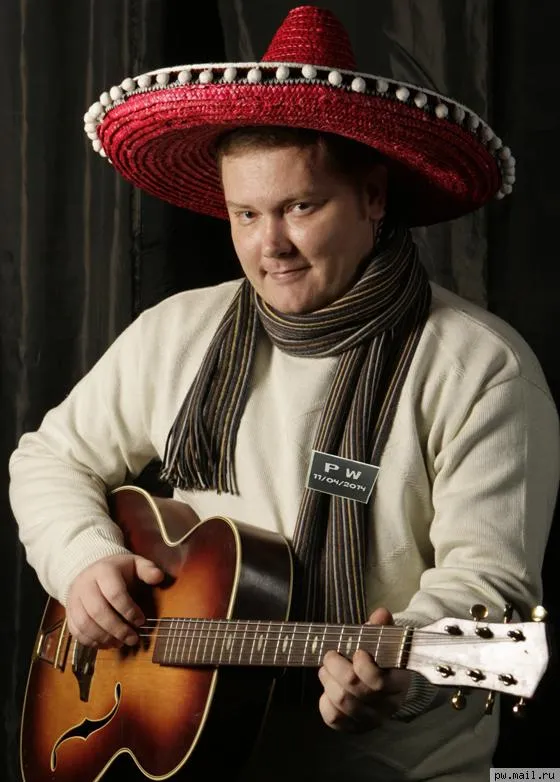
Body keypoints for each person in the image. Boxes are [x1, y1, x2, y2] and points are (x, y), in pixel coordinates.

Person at [9, 5, 559, 781]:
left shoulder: (481, 367)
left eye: (301, 207)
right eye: (246, 214)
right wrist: (83, 560)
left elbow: (486, 587)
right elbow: (48, 458)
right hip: (203, 766)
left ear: (373, 196)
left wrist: (399, 677)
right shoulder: (178, 332)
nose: (270, 246)